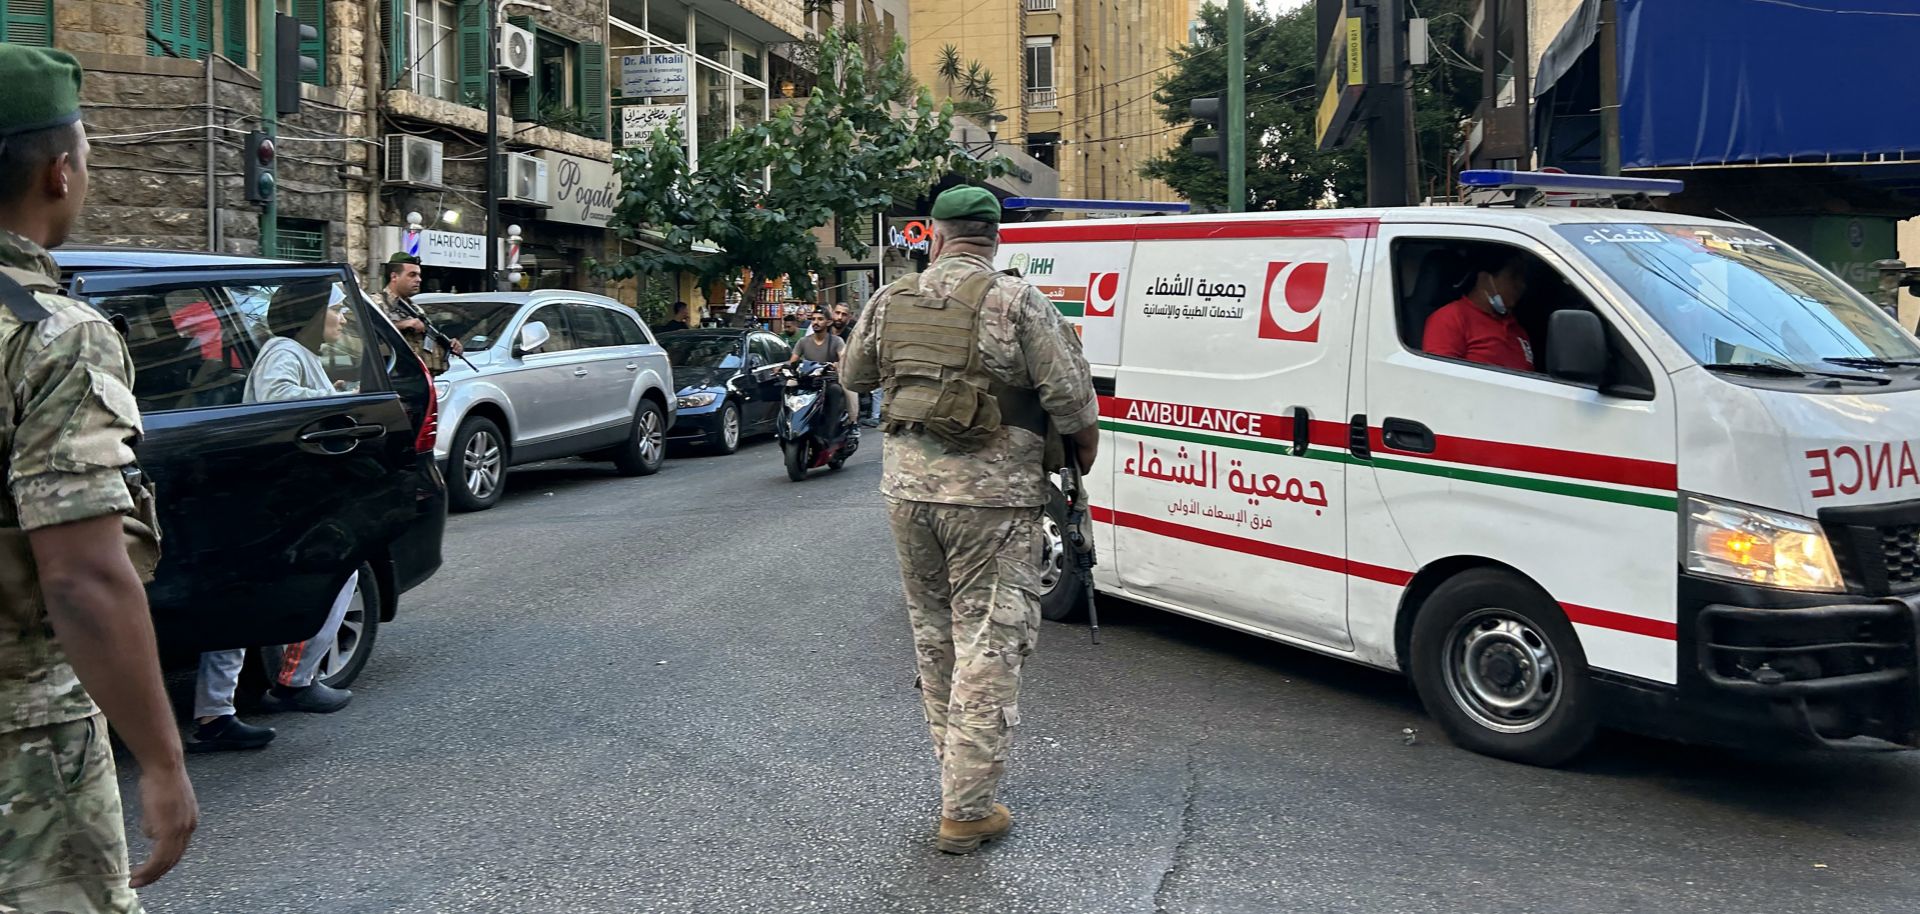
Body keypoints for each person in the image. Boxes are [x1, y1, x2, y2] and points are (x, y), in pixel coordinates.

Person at [0, 45, 197, 909]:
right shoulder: (54, 336)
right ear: (60, 172)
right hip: (23, 739)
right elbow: (81, 575)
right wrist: (161, 760)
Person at [843, 186, 1098, 855]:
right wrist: (1079, 462)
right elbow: (1073, 405)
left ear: (933, 234)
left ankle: (954, 781)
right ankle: (967, 807)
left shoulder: (891, 298)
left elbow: (854, 372)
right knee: (988, 639)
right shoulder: (1018, 301)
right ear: (994, 237)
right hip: (995, 499)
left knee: (934, 636)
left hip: (908, 492)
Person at [188, 283, 356, 752]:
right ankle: (277, 687)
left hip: (273, 496)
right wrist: (333, 402)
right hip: (270, 497)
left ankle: (228, 706)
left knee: (250, 598)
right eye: (337, 310)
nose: (342, 318)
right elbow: (280, 401)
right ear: (310, 312)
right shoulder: (284, 351)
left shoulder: (292, 351)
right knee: (257, 595)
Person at [1420, 249, 1536, 372]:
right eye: (1514, 276)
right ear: (1485, 279)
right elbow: (1443, 378)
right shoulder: (1450, 318)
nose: (1522, 285)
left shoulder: (1516, 328)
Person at [375, 252, 460, 375]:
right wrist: (403, 324)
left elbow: (426, 341)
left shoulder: (416, 309)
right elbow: (365, 332)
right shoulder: (377, 303)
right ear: (394, 277)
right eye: (412, 275)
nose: (419, 280)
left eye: (419, 275)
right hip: (391, 376)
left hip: (418, 379)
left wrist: (449, 344)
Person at [789, 309, 855, 439]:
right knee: (788, 386)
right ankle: (788, 424)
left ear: (828, 322)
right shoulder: (803, 342)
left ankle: (850, 424)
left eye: (820, 319)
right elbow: (793, 361)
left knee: (838, 390)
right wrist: (784, 368)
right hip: (808, 382)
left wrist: (837, 364)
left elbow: (843, 358)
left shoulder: (836, 341)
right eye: (813, 319)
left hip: (828, 381)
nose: (816, 322)